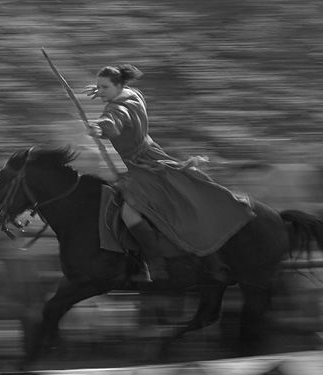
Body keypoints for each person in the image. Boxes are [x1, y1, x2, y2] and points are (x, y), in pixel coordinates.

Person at [83, 64, 256, 284]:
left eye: (104, 87)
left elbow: (114, 121)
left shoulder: (117, 108)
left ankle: (156, 265)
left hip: (142, 167)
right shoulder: (133, 94)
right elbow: (119, 106)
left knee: (129, 213)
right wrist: (102, 91)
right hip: (151, 155)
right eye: (98, 86)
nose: (100, 91)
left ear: (118, 86)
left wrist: (99, 127)